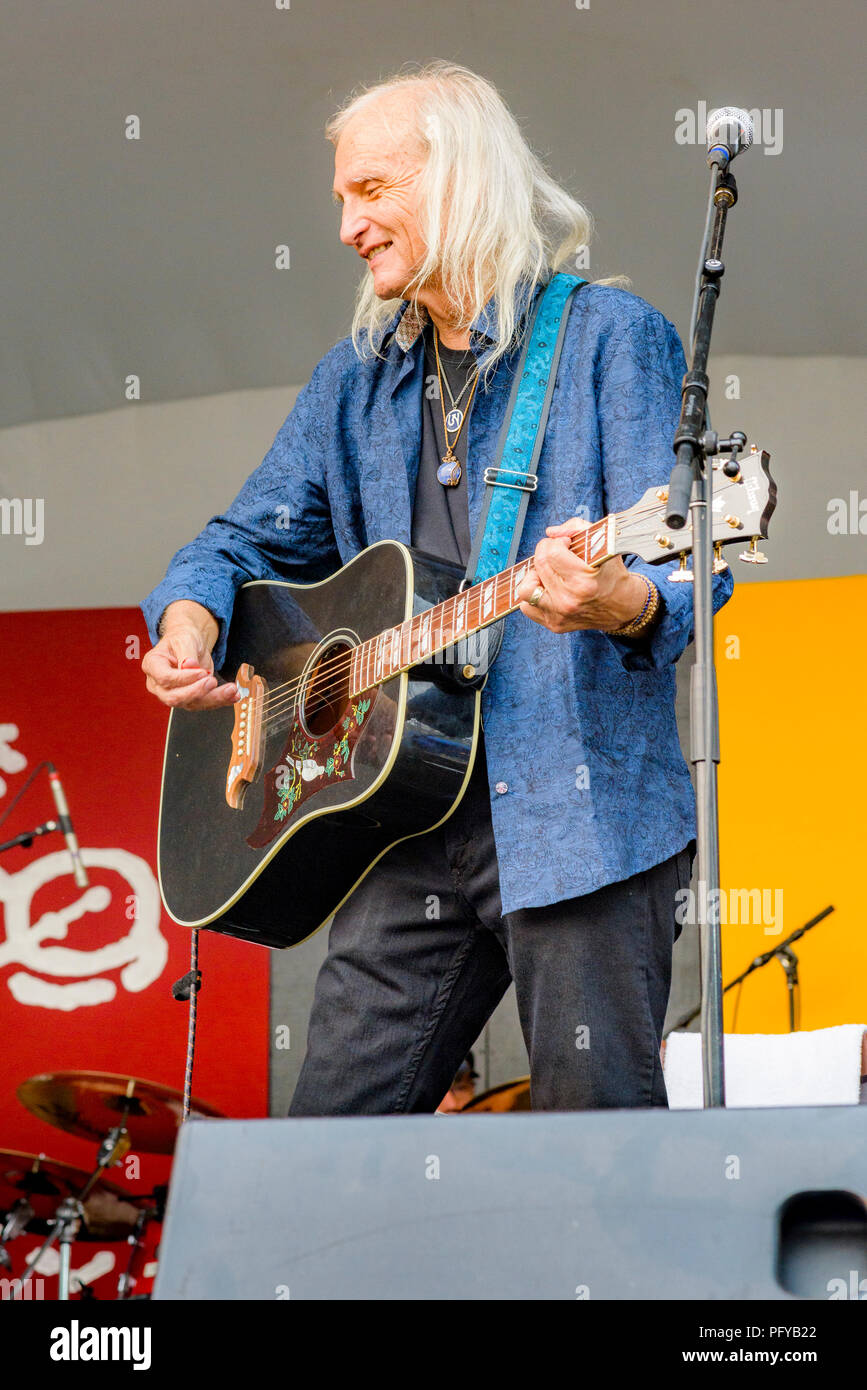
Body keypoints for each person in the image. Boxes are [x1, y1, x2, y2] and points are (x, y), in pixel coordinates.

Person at [141, 61, 732, 1114]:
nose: (346, 228)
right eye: (339, 202)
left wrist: (613, 602)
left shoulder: (609, 339)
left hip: (576, 816)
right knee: (328, 1143)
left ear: (458, 179)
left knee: (598, 1156)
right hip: (404, 816)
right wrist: (188, 614)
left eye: (371, 191)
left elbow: (683, 567)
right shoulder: (353, 382)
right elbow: (239, 543)